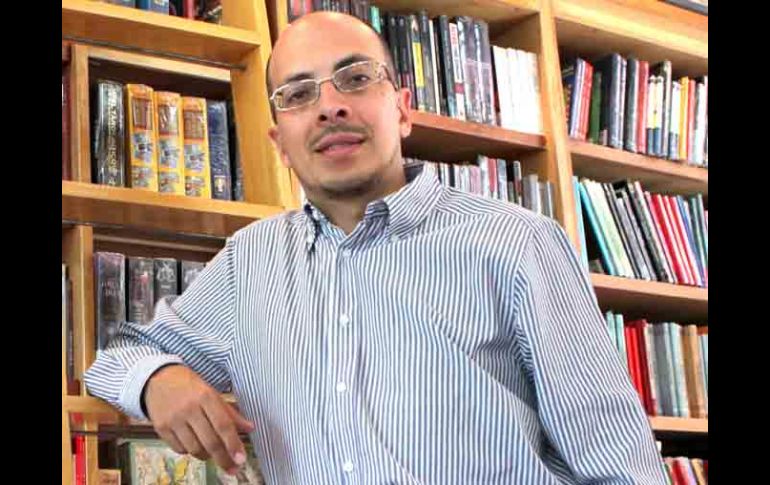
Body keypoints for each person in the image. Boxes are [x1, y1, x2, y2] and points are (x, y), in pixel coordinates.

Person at [84, 11, 667, 484]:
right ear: (280, 143)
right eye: (298, 93)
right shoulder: (249, 262)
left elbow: (619, 467)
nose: (330, 106)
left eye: (357, 78)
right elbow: (115, 360)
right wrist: (160, 380)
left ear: (402, 109)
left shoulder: (518, 243)